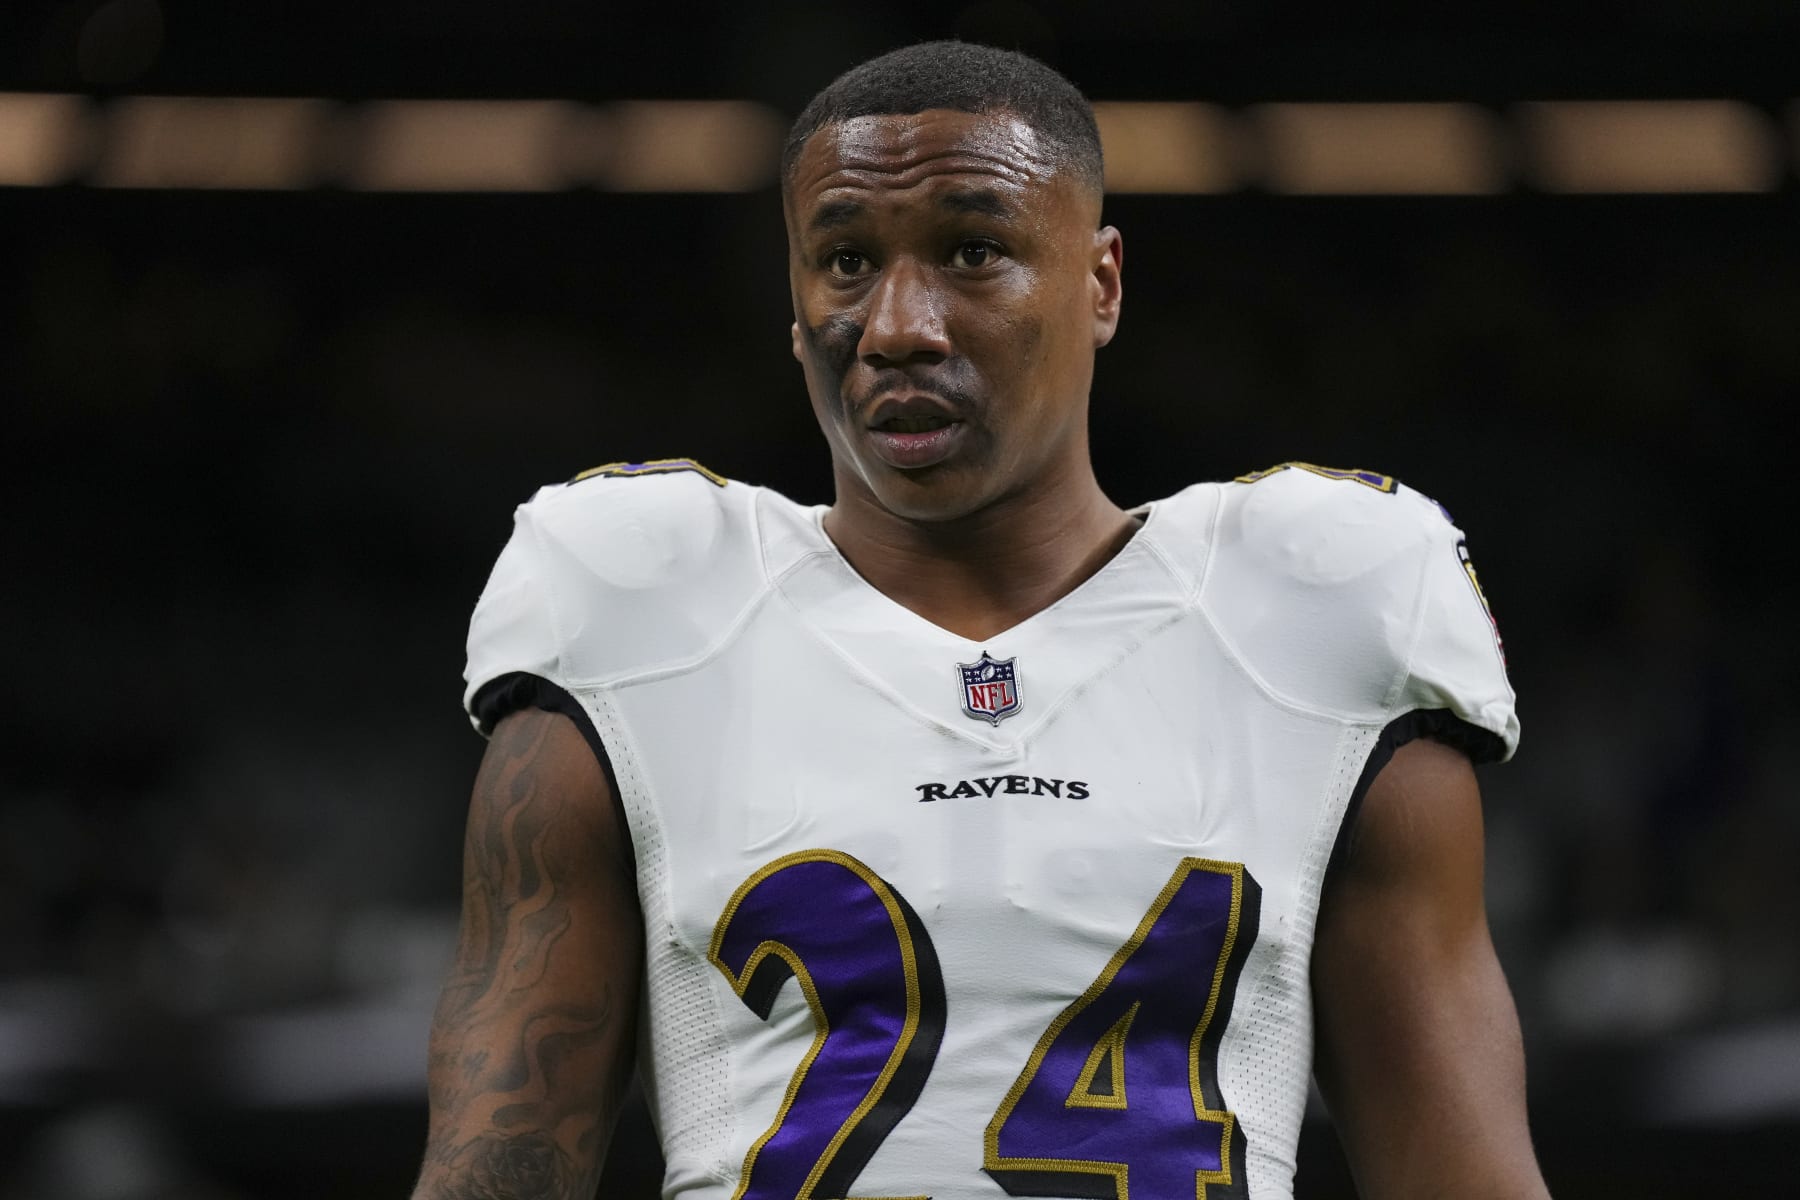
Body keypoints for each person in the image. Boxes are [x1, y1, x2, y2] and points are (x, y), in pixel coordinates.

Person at [411, 40, 1550, 1200]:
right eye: (846, 260)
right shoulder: (632, 597)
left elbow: (1456, 1169)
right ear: (795, 306)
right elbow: (500, 1157)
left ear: (1101, 284)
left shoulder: (1324, 600)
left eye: (974, 251)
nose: (899, 324)